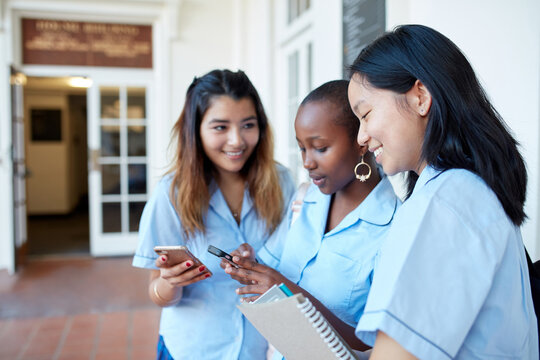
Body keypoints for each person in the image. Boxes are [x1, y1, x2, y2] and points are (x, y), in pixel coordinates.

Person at [347, 24, 538, 359]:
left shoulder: (445, 201)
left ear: (420, 96)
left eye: (366, 114)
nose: (361, 137)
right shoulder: (467, 190)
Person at [222, 80, 400, 356]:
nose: (307, 162)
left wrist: (291, 294)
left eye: (320, 148)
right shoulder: (306, 199)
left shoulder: (396, 228)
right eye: (302, 148)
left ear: (362, 142)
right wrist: (249, 265)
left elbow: (374, 347)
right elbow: (271, 267)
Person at [132, 69, 296, 360]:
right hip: (191, 349)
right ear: (195, 130)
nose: (237, 141)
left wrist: (259, 268)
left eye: (248, 125)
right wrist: (170, 282)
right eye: (220, 127)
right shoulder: (172, 194)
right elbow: (157, 294)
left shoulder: (280, 182)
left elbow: (292, 266)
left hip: (258, 349)